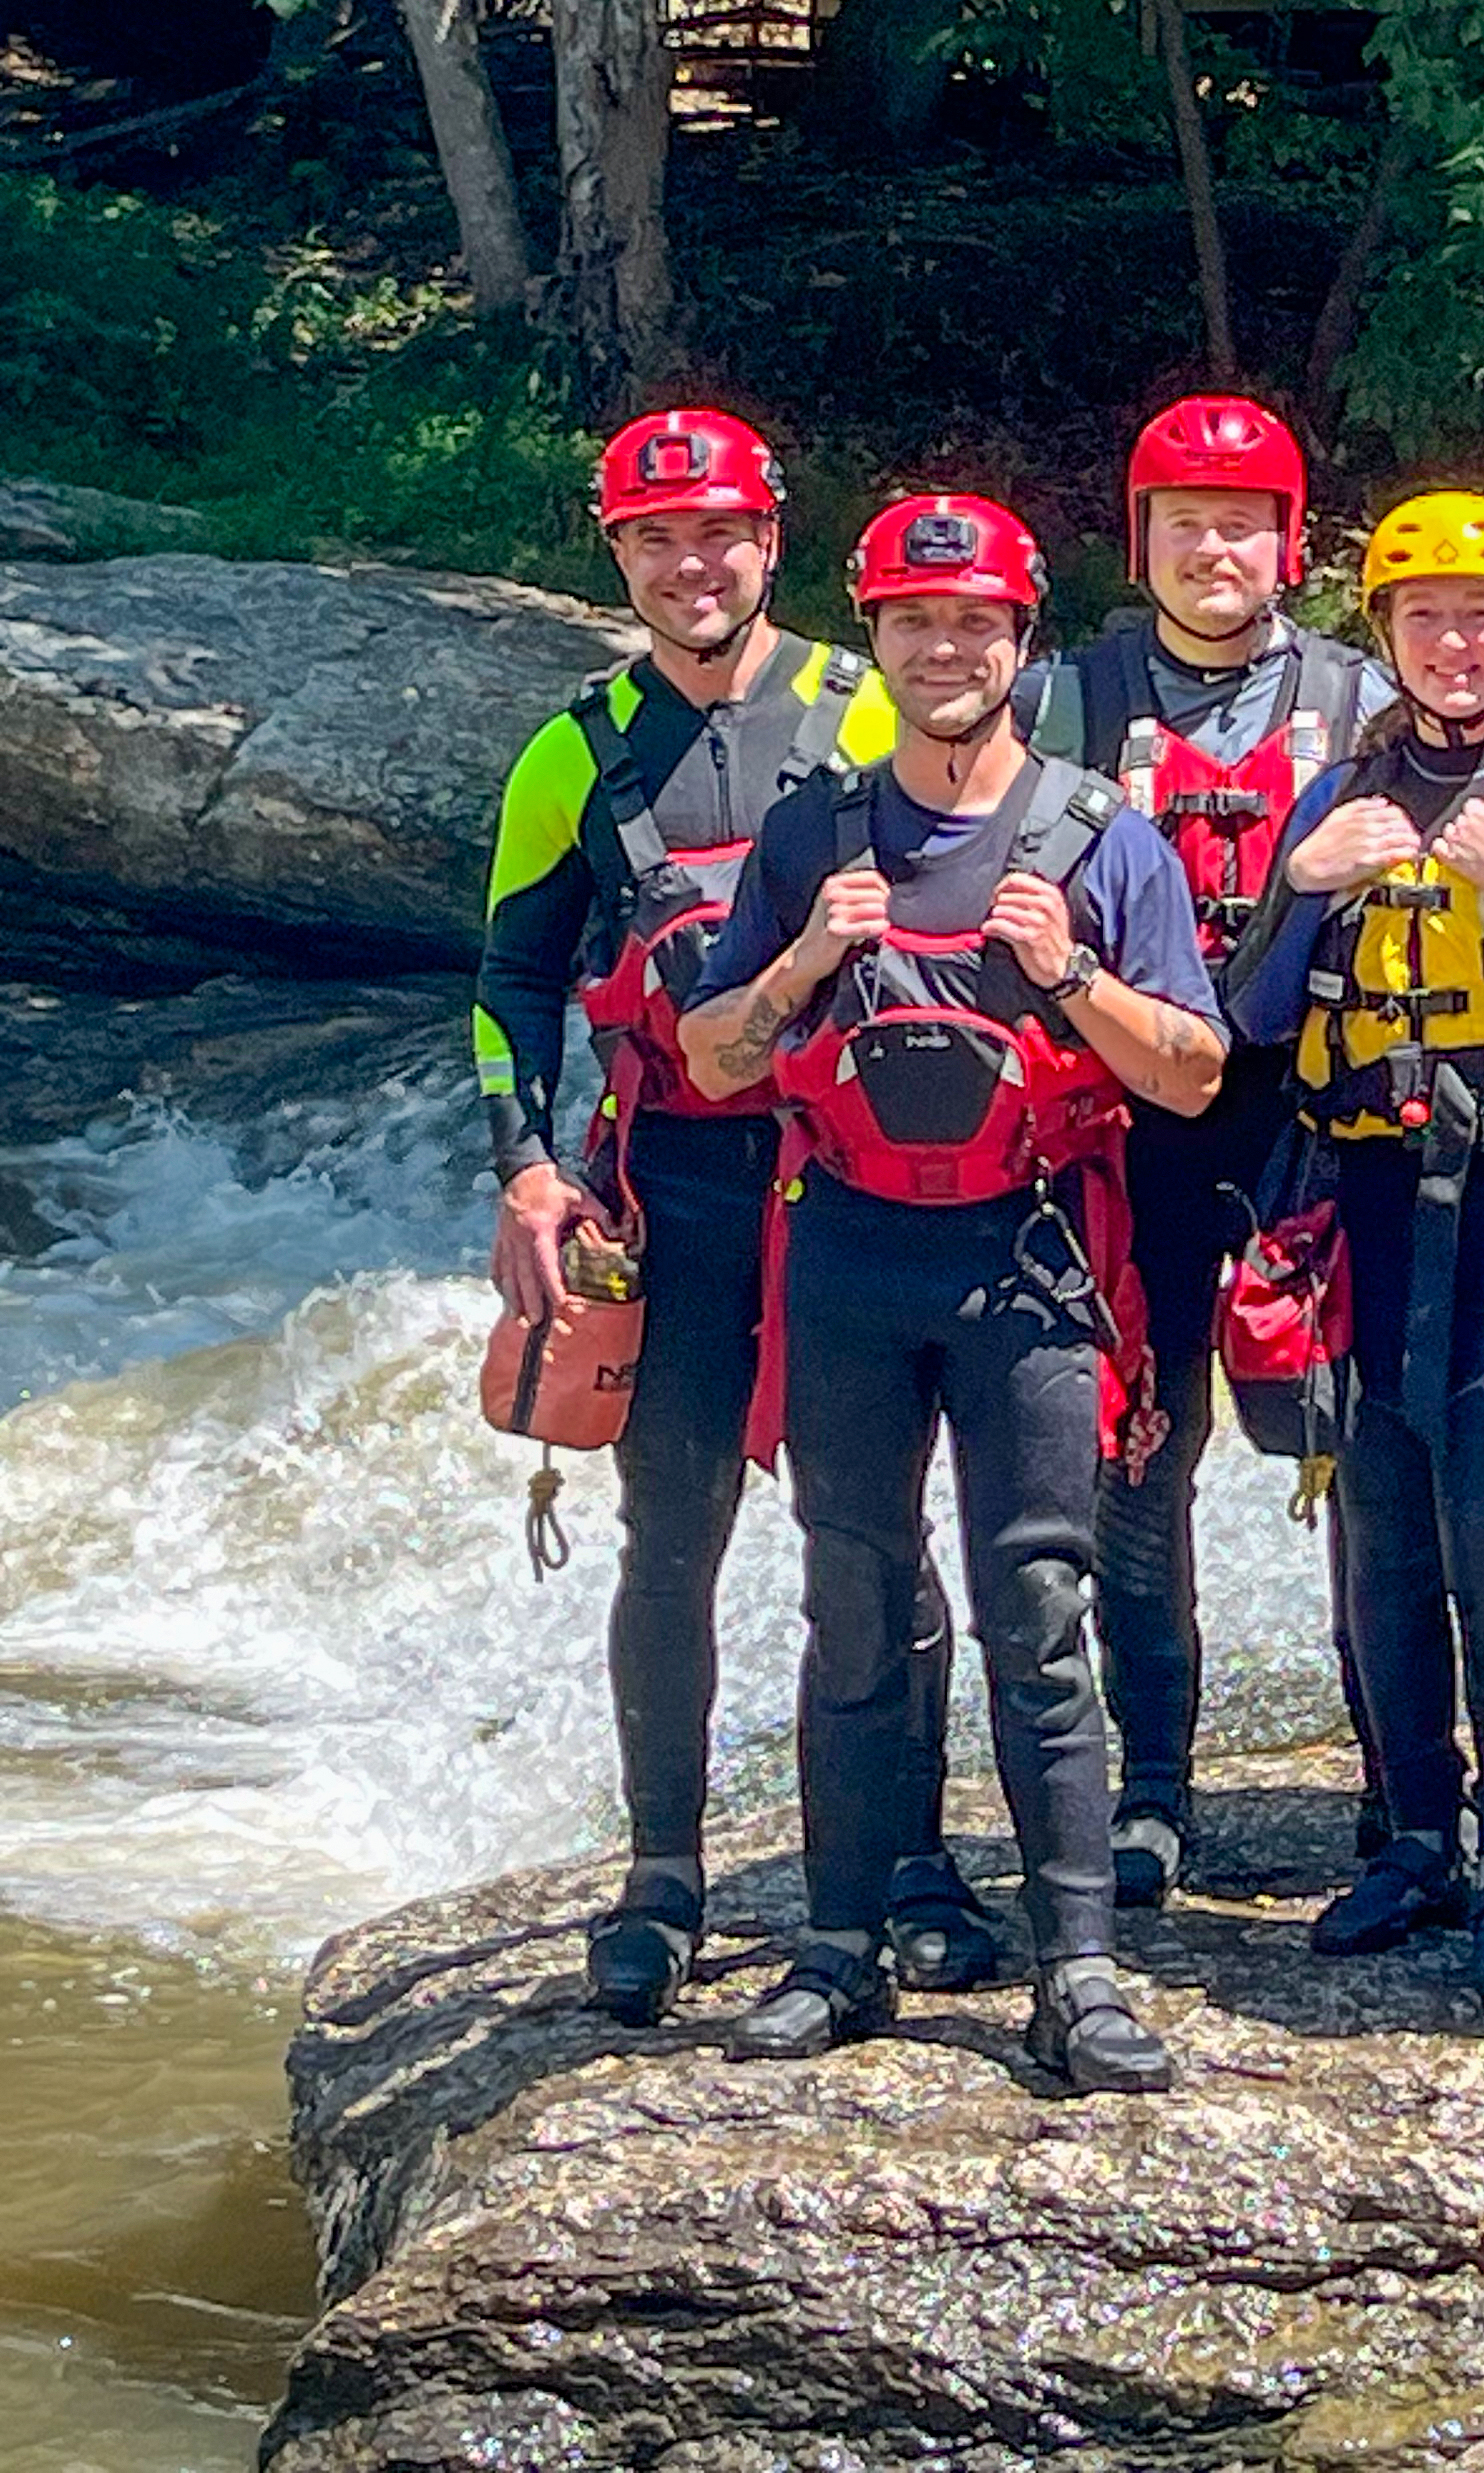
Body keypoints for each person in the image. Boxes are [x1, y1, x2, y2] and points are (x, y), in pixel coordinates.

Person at [680, 494, 1225, 2094]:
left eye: (974, 623)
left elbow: (1193, 1077)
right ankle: (842, 1946)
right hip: (849, 1253)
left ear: (1020, 639)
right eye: (915, 624)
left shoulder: (1097, 836)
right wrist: (794, 968)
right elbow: (715, 1057)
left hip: (1029, 1259)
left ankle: (1080, 1974)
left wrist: (1069, 974)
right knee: (851, 1598)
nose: (945, 649)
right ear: (877, 640)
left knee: (1037, 1612)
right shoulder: (814, 834)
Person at [470, 410, 993, 2025]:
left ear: (773, 540)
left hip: (851, 1184)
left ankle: (908, 1862)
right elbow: (508, 981)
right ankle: (664, 1876)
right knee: (672, 1536)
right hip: (676, 1189)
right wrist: (529, 1166)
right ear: (617, 557)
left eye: (719, 535)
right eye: (653, 541)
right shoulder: (575, 751)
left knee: (882, 1537)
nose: (691, 566)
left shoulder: (863, 704)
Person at [1226, 493, 1484, 2006]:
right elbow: (1260, 1021)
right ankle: (1414, 1838)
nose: (1455, 644)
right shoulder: (1334, 793)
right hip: (1375, 1205)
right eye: (1424, 620)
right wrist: (1303, 886)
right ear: (1386, 640)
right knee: (1379, 1547)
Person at [1024, 395, 1388, 1908]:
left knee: (1362, 1445)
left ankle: (1399, 1772)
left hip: (1315, 1110)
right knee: (1139, 1449)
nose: (1218, 549)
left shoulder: (1359, 696)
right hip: (1136, 1117)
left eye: (1244, 524)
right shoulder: (1067, 698)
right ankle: (1155, 1789)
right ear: (1144, 540)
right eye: (1188, 524)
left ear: (1290, 543)